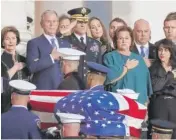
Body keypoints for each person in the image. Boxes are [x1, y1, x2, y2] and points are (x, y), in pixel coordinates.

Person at [104, 26, 153, 105]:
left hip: (138, 103)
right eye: (120, 38)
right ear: (116, 41)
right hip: (117, 102)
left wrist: (145, 103)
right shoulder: (109, 57)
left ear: (131, 41)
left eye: (127, 38)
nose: (124, 41)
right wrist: (126, 68)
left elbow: (145, 83)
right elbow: (109, 78)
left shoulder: (139, 59)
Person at [26, 10, 71, 90]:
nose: (52, 25)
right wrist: (51, 57)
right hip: (44, 91)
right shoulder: (34, 43)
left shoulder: (66, 44)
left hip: (64, 89)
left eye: (54, 21)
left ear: (58, 23)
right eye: (48, 21)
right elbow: (31, 67)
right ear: (42, 24)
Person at [65, 7, 102, 82]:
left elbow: (99, 68)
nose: (83, 25)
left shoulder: (96, 43)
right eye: (79, 22)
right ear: (72, 23)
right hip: (72, 84)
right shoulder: (65, 41)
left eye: (85, 22)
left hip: (90, 84)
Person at [149, 39, 176, 138]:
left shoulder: (175, 67)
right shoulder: (153, 68)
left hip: (173, 104)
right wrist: (169, 76)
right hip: (159, 104)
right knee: (159, 134)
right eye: (160, 50)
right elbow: (155, 87)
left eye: (166, 50)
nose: (162, 53)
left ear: (171, 52)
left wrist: (164, 83)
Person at [1, 26, 30, 113]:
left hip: (25, 103)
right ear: (2, 42)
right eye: (7, 39)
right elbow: (2, 83)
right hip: (6, 104)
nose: (11, 41)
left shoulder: (24, 60)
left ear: (17, 40)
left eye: (13, 38)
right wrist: (15, 67)